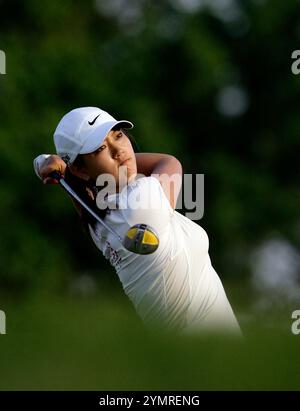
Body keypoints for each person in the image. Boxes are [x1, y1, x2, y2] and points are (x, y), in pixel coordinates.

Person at [33, 106, 242, 336]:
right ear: (81, 170)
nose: (119, 150)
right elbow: (168, 162)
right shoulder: (141, 201)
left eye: (118, 135)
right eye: (101, 148)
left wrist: (53, 167)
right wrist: (55, 166)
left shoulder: (97, 218)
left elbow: (76, 187)